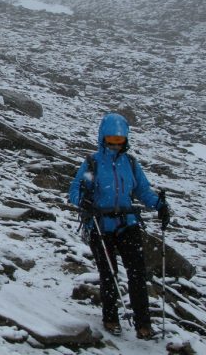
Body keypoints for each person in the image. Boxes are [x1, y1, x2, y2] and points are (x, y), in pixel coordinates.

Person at [69, 112, 171, 339]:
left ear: (125, 139)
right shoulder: (92, 163)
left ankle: (144, 324)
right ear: (102, 138)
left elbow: (142, 191)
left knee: (137, 273)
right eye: (111, 140)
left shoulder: (131, 164)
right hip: (99, 225)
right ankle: (111, 317)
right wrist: (84, 201)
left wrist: (160, 205)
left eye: (119, 141)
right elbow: (74, 191)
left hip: (127, 224)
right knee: (109, 274)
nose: (115, 145)